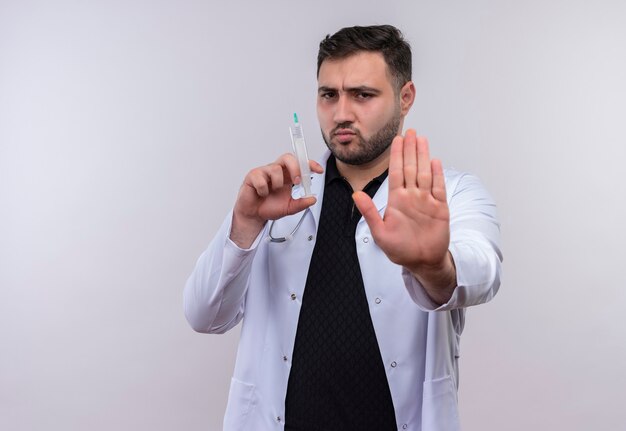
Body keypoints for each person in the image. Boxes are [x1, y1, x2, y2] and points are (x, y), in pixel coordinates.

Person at [184, 25, 502, 431]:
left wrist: (432, 265)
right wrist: (245, 225)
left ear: (405, 98)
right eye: (328, 95)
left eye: (363, 95)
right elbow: (203, 314)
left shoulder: (451, 194)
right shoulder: (278, 199)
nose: (341, 113)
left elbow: (484, 273)